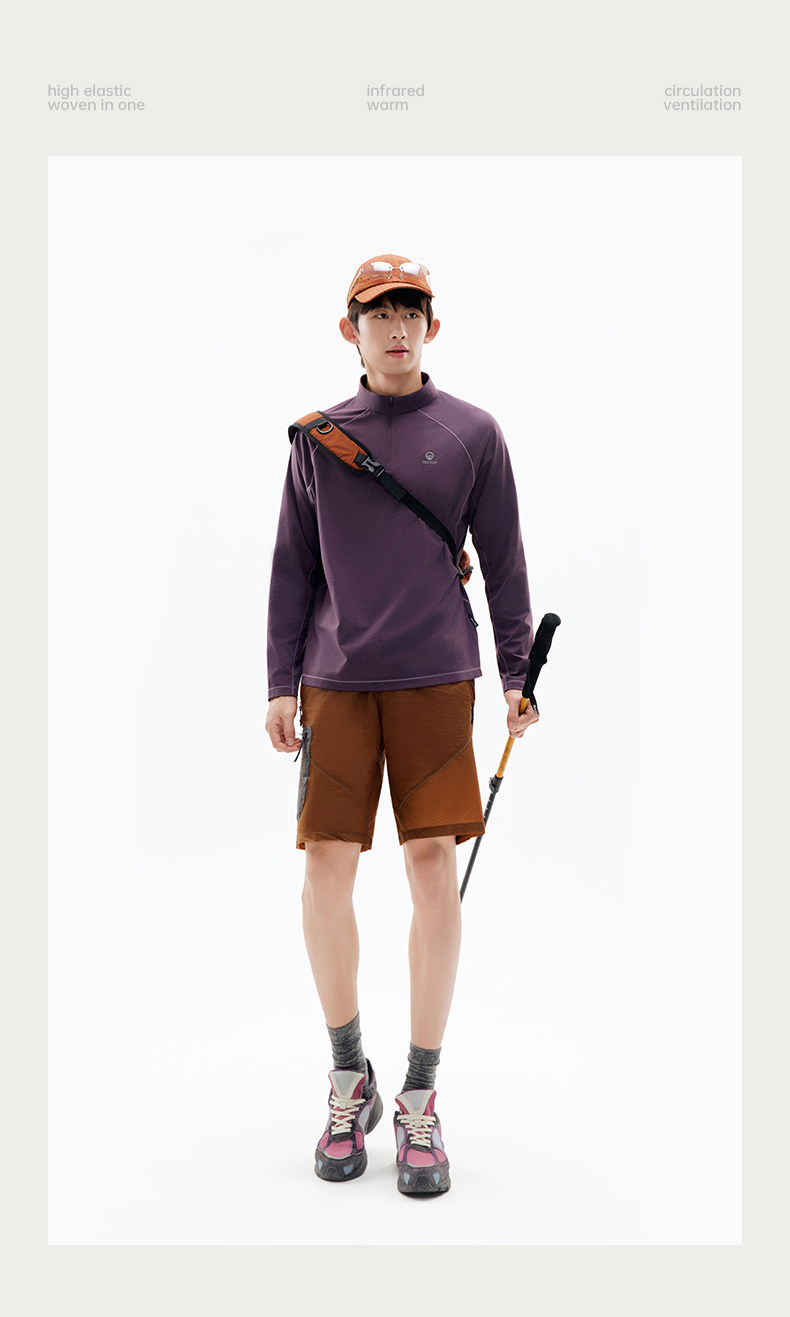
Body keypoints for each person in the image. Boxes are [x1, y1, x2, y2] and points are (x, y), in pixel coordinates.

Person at [265, 254, 538, 1196]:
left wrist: (516, 674)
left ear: (432, 326)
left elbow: (505, 562)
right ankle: (351, 1075)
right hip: (336, 682)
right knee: (324, 875)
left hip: (435, 680)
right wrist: (279, 683)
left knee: (432, 873)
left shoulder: (473, 433)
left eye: (411, 311)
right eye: (378, 312)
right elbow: (292, 569)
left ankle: (420, 1092)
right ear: (351, 329)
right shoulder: (318, 439)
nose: (396, 327)